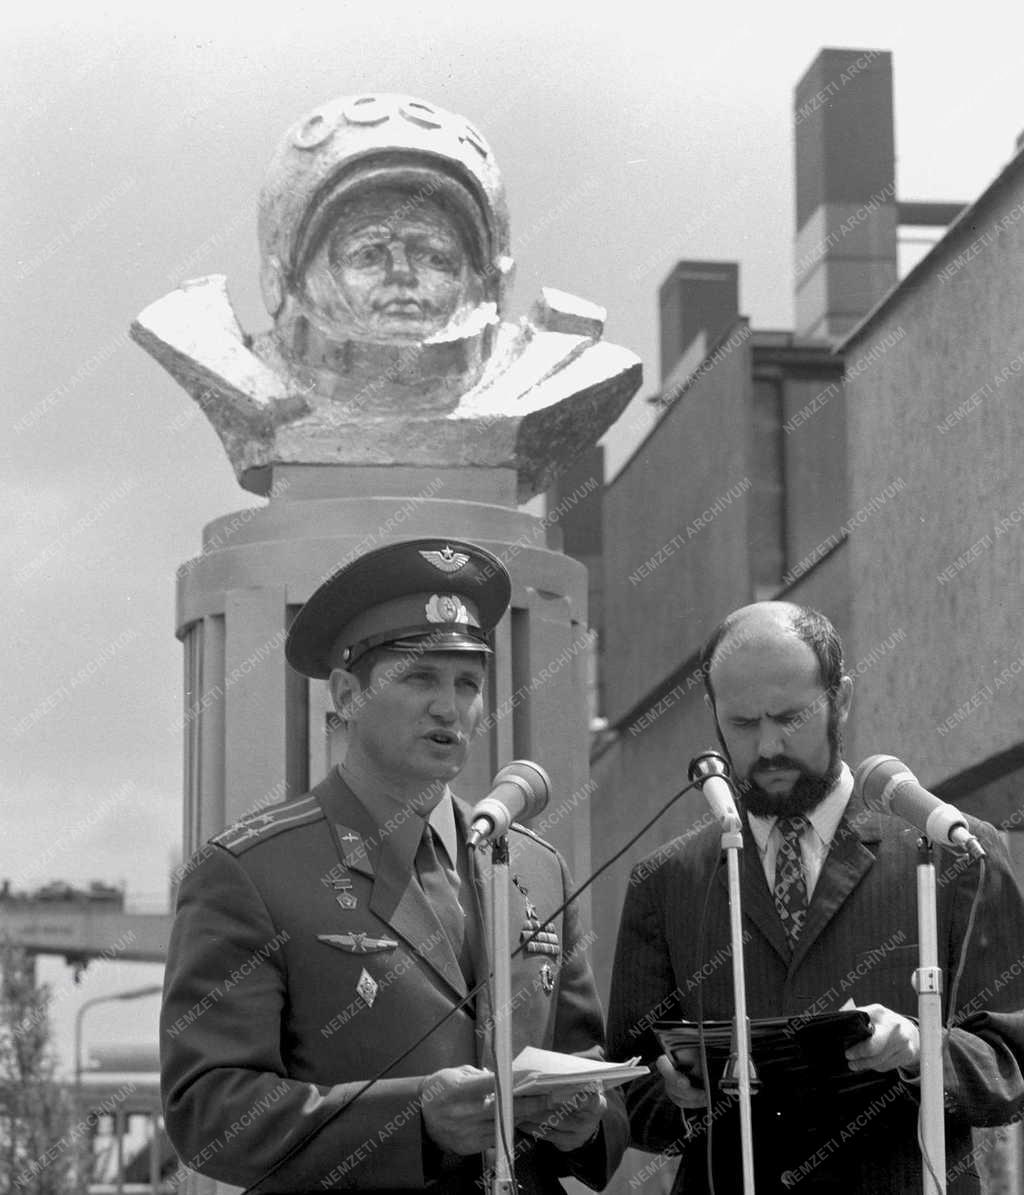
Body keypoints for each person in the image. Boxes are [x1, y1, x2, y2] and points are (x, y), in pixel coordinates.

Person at [161, 537, 627, 1192]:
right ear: (347, 694)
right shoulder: (250, 871)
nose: (450, 705)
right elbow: (209, 1110)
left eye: (467, 682)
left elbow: (588, 1065)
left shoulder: (531, 865)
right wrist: (412, 1120)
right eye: (419, 677)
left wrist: (590, 1122)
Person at [607, 601, 1024, 1194]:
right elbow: (626, 1086)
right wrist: (674, 1091)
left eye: (791, 718)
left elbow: (1012, 1062)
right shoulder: (666, 880)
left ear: (842, 700)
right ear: (713, 714)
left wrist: (919, 1049)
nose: (770, 745)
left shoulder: (953, 854)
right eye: (744, 724)